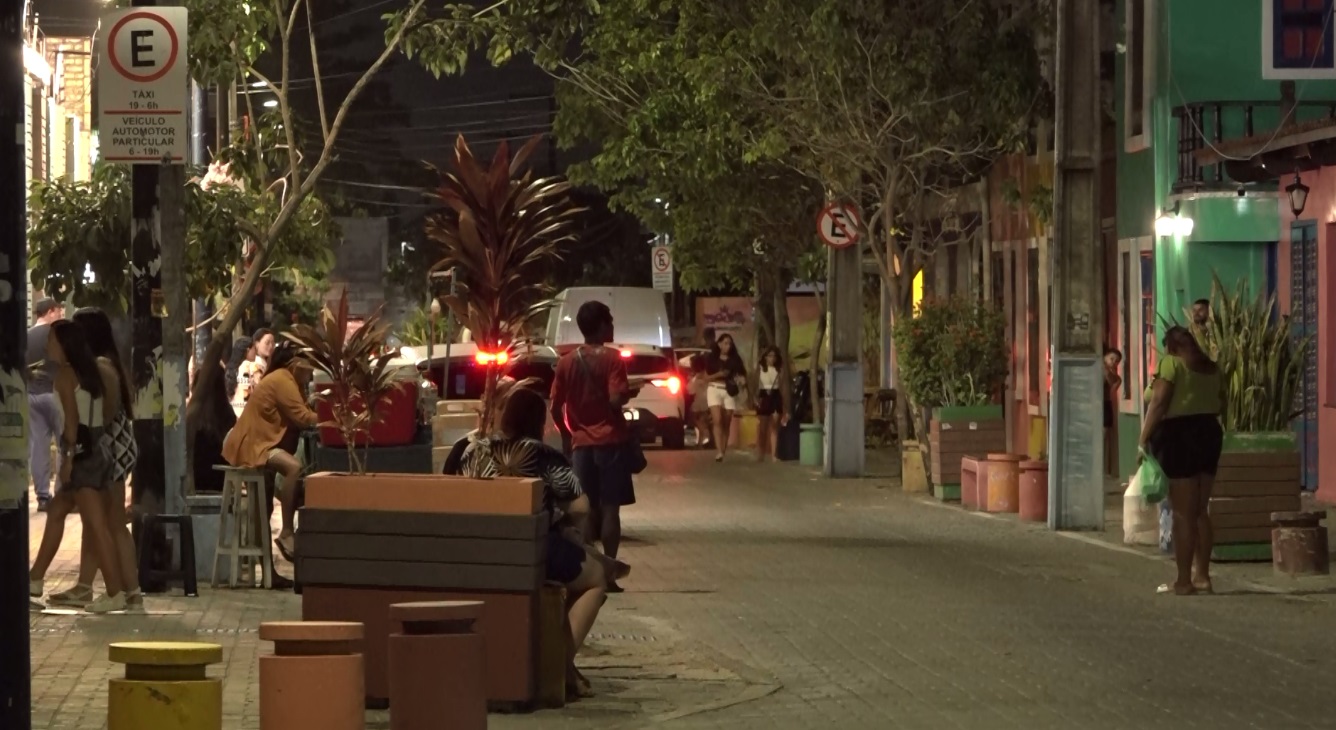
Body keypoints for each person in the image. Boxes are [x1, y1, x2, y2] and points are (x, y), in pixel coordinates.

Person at [459, 387, 628, 699]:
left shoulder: (474, 451)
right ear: (539, 422)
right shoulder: (543, 454)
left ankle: (558, 664)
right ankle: (558, 665)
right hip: (530, 551)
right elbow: (580, 507)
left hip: (476, 552)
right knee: (596, 579)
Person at [32, 309, 143, 611]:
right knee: (78, 515)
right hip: (104, 449)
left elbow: (81, 422)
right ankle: (69, 584)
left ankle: (121, 592)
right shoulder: (98, 368)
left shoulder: (91, 370)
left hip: (100, 451)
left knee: (107, 523)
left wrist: (73, 451)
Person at [550, 300, 637, 592]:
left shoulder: (566, 361)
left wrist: (566, 433)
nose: (612, 325)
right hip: (611, 443)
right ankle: (610, 573)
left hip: (582, 445)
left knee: (585, 510)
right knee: (611, 511)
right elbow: (615, 400)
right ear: (600, 325)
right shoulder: (613, 360)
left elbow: (555, 406)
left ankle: (590, 572)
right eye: (609, 321)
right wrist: (626, 394)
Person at [1139, 326, 1223, 596]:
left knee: (1182, 512)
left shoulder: (1170, 364)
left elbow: (1160, 401)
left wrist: (1143, 437)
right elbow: (1223, 404)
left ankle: (1184, 581)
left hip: (1179, 435)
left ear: (1171, 347)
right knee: (1200, 509)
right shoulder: (1212, 369)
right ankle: (1203, 576)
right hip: (1209, 433)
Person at [223, 342, 319, 566]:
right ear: (296, 364)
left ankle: (268, 572)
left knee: (264, 507)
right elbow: (303, 418)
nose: (310, 372)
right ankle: (286, 531)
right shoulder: (282, 380)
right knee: (294, 467)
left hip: (262, 443)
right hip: (254, 445)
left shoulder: (287, 380)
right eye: (308, 367)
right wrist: (331, 419)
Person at [26, 297, 65, 511]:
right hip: (54, 394)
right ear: (50, 311)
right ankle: (61, 493)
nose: (60, 315)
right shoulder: (56, 334)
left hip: (31, 396)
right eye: (58, 311)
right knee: (64, 444)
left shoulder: (26, 336)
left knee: (39, 446)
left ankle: (42, 497)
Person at [705, 333, 747, 462]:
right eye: (725, 343)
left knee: (726, 421)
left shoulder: (735, 360)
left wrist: (741, 380)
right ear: (719, 344)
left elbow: (742, 376)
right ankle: (719, 451)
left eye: (729, 343)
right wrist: (719, 374)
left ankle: (723, 449)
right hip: (714, 389)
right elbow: (706, 378)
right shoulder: (712, 359)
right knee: (717, 419)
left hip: (728, 390)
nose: (727, 346)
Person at [754, 346, 787, 461]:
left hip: (776, 395)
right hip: (764, 395)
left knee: (774, 426)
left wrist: (784, 404)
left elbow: (782, 386)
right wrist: (755, 397)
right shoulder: (760, 368)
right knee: (762, 427)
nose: (772, 359)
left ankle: (774, 455)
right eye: (770, 356)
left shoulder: (779, 370)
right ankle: (760, 452)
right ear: (765, 357)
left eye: (774, 356)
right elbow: (754, 383)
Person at [1103, 348, 1123, 476]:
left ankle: (1104, 467)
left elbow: (1114, 385)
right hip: (1099, 404)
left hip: (1106, 404)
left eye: (1116, 361)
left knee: (1105, 436)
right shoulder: (1101, 368)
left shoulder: (1111, 373)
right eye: (1111, 359)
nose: (1113, 363)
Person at [686, 356, 713, 449]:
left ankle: (705, 435)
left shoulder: (698, 377)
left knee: (697, 421)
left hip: (699, 401)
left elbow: (690, 390)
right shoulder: (707, 374)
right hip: (707, 401)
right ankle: (701, 442)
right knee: (703, 421)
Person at [225, 336, 256, 413]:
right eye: (254, 349)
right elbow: (247, 394)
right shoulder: (248, 366)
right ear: (248, 350)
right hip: (246, 413)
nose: (256, 352)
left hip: (233, 412)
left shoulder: (230, 369)